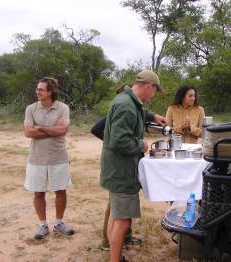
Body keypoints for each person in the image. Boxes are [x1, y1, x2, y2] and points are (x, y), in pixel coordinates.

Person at [100, 70, 165, 262]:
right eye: (154, 91)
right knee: (123, 220)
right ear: (148, 86)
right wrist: (141, 145)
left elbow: (139, 112)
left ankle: (114, 257)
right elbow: (118, 141)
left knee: (116, 214)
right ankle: (114, 259)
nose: (153, 95)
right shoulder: (126, 106)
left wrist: (153, 116)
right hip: (122, 171)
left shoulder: (128, 101)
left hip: (117, 168)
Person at [91, 84, 142, 251]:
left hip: (121, 164)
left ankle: (123, 238)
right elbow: (97, 129)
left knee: (119, 209)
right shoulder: (123, 109)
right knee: (115, 208)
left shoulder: (129, 108)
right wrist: (109, 140)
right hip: (118, 165)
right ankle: (107, 243)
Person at [24, 77, 75, 240]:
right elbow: (28, 133)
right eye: (37, 89)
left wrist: (39, 127)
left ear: (50, 92)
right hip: (36, 158)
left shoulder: (63, 108)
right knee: (38, 193)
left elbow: (62, 131)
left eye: (41, 89)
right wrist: (52, 129)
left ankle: (59, 223)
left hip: (58, 157)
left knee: (61, 191)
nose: (37, 92)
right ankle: (42, 225)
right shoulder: (31, 109)